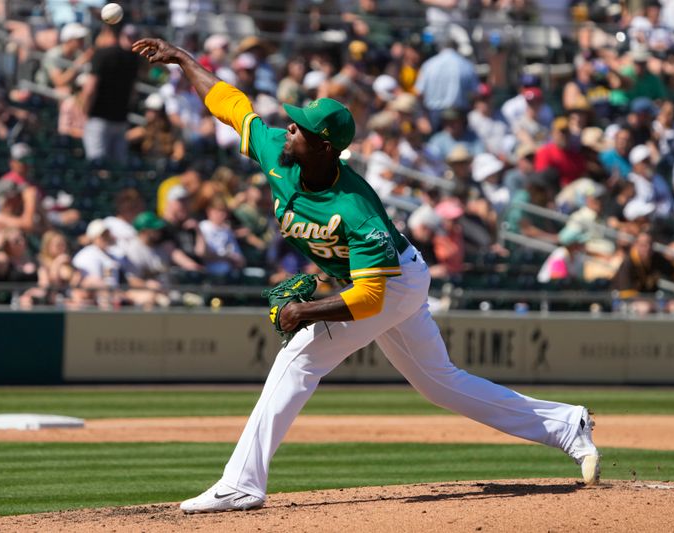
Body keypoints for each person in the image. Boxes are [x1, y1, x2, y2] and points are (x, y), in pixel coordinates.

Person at [132, 37, 601, 514]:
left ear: (325, 147)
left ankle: (241, 484)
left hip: (391, 282)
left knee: (299, 360)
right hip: (387, 280)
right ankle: (566, 424)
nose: (289, 129)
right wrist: (185, 60)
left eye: (300, 129)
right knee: (438, 383)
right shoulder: (278, 152)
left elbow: (373, 296)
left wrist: (305, 311)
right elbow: (230, 105)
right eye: (293, 123)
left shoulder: (357, 210)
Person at [81, 24, 140, 164]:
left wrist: (84, 111)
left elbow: (90, 88)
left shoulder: (101, 54)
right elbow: (133, 92)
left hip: (98, 117)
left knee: (97, 164)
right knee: (118, 167)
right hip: (121, 119)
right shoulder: (133, 58)